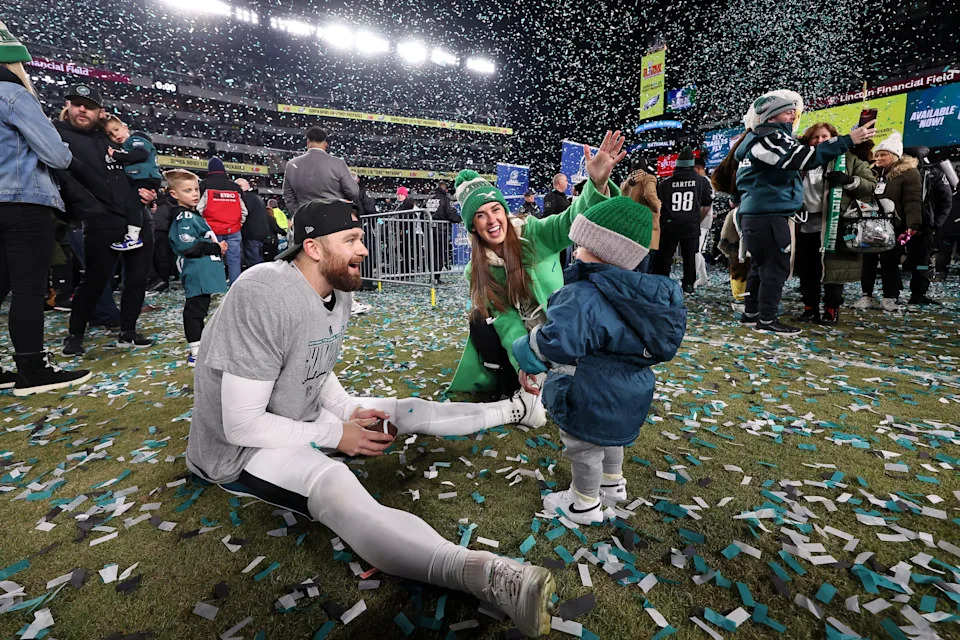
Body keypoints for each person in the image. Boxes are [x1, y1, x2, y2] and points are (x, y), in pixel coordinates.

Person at [185, 199, 555, 638]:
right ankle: (487, 575)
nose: (364, 250)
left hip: (295, 412)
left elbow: (312, 363)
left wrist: (348, 412)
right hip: (241, 449)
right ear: (314, 248)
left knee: (403, 411)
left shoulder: (335, 285)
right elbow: (242, 424)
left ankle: (514, 409)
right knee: (336, 484)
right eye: (352, 240)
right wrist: (336, 432)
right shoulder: (263, 291)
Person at [512, 197, 686, 524]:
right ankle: (612, 484)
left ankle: (584, 503)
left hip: (591, 389)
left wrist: (526, 352)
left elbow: (558, 341)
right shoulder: (641, 295)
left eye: (579, 243)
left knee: (585, 446)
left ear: (597, 248)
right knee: (610, 439)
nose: (574, 249)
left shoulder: (583, 295)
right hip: (631, 390)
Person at [447, 130, 626, 395]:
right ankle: (508, 377)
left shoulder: (534, 233)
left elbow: (571, 219)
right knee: (479, 321)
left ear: (505, 212)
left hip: (563, 328)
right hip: (526, 339)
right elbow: (506, 320)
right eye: (481, 215)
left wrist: (596, 184)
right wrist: (525, 362)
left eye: (496, 209)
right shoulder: (477, 270)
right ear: (472, 227)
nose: (492, 220)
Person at [733, 90, 875, 334]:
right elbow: (803, 159)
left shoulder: (755, 138)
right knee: (774, 268)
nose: (793, 116)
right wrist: (848, 140)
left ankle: (752, 313)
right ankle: (766, 319)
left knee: (760, 265)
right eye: (788, 112)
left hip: (759, 214)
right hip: (769, 215)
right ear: (773, 114)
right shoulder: (770, 137)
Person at [0, 22, 92, 394]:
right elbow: (56, 153)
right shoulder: (11, 93)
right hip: (23, 201)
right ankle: (32, 369)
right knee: (28, 288)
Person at [54, 84, 154, 355]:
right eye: (76, 103)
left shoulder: (112, 136)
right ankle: (74, 335)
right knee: (95, 281)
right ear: (68, 107)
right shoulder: (56, 134)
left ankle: (128, 332)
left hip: (137, 217)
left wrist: (148, 189)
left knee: (136, 280)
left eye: (88, 105)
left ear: (101, 112)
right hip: (99, 220)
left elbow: (141, 165)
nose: (82, 109)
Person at [793, 123, 877, 326]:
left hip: (834, 224)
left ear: (834, 139)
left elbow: (870, 185)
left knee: (834, 271)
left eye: (825, 137)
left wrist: (848, 181)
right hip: (802, 224)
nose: (820, 141)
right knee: (807, 270)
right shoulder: (801, 161)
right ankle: (809, 308)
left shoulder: (848, 159)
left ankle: (832, 310)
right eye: (815, 137)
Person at [853, 132, 925, 310]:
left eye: (883, 154)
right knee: (868, 261)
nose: (878, 157)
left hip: (894, 225)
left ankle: (889, 297)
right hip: (871, 223)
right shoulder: (872, 172)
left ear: (895, 156)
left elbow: (913, 200)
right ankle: (866, 296)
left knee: (889, 262)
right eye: (877, 154)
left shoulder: (908, 173)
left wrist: (912, 224)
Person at [165, 170, 228, 365]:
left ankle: (199, 345)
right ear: (174, 194)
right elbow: (188, 246)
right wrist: (216, 247)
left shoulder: (192, 215)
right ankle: (196, 350)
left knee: (201, 308)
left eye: (196, 189)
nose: (194, 194)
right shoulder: (184, 216)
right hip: (197, 270)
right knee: (195, 310)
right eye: (187, 190)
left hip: (204, 269)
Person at [652, 148, 713, 293]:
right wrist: (697, 220)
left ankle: (663, 284)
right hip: (691, 226)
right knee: (689, 257)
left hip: (670, 226)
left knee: (666, 257)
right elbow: (706, 204)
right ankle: (688, 285)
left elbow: (658, 205)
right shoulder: (701, 181)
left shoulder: (665, 183)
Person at [103, 114, 162, 251]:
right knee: (135, 202)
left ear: (125, 127)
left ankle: (133, 238)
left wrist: (116, 155)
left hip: (145, 179)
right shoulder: (125, 147)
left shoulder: (136, 138)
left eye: (116, 130)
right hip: (142, 180)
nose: (115, 135)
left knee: (132, 205)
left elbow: (140, 154)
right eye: (110, 134)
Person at [281, 126, 359, 213]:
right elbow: (353, 192)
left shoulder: (292, 164)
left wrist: (298, 212)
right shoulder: (338, 163)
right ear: (326, 144)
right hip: (334, 215)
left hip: (305, 217)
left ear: (308, 142)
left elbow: (288, 195)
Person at [198, 157, 246, 286]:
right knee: (234, 259)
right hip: (233, 230)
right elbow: (243, 210)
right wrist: (237, 224)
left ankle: (215, 285)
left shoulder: (203, 185)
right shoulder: (234, 186)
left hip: (212, 230)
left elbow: (199, 208)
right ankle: (234, 285)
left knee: (213, 258)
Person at [619, 156, 661, 273]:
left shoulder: (626, 182)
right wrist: (657, 207)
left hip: (628, 222)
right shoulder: (648, 178)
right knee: (644, 255)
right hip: (644, 221)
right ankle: (640, 283)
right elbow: (649, 195)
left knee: (630, 257)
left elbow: (621, 197)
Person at [425, 180, 462, 284]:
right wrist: (460, 219)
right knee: (440, 254)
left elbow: (424, 213)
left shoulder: (429, 199)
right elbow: (451, 214)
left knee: (431, 254)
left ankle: (432, 276)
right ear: (445, 189)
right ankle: (436, 277)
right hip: (441, 231)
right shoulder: (445, 199)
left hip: (429, 231)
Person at [235, 178, 270, 269]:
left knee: (253, 262)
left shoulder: (246, 198)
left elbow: (243, 214)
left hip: (251, 234)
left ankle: (257, 281)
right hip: (260, 233)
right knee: (257, 259)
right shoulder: (256, 197)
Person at [693, 157, 713, 288]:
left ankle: (692, 278)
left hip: (702, 222)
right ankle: (703, 278)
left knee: (695, 250)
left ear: (700, 168)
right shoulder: (703, 181)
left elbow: (706, 204)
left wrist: (697, 221)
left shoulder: (705, 182)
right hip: (701, 221)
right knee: (697, 250)